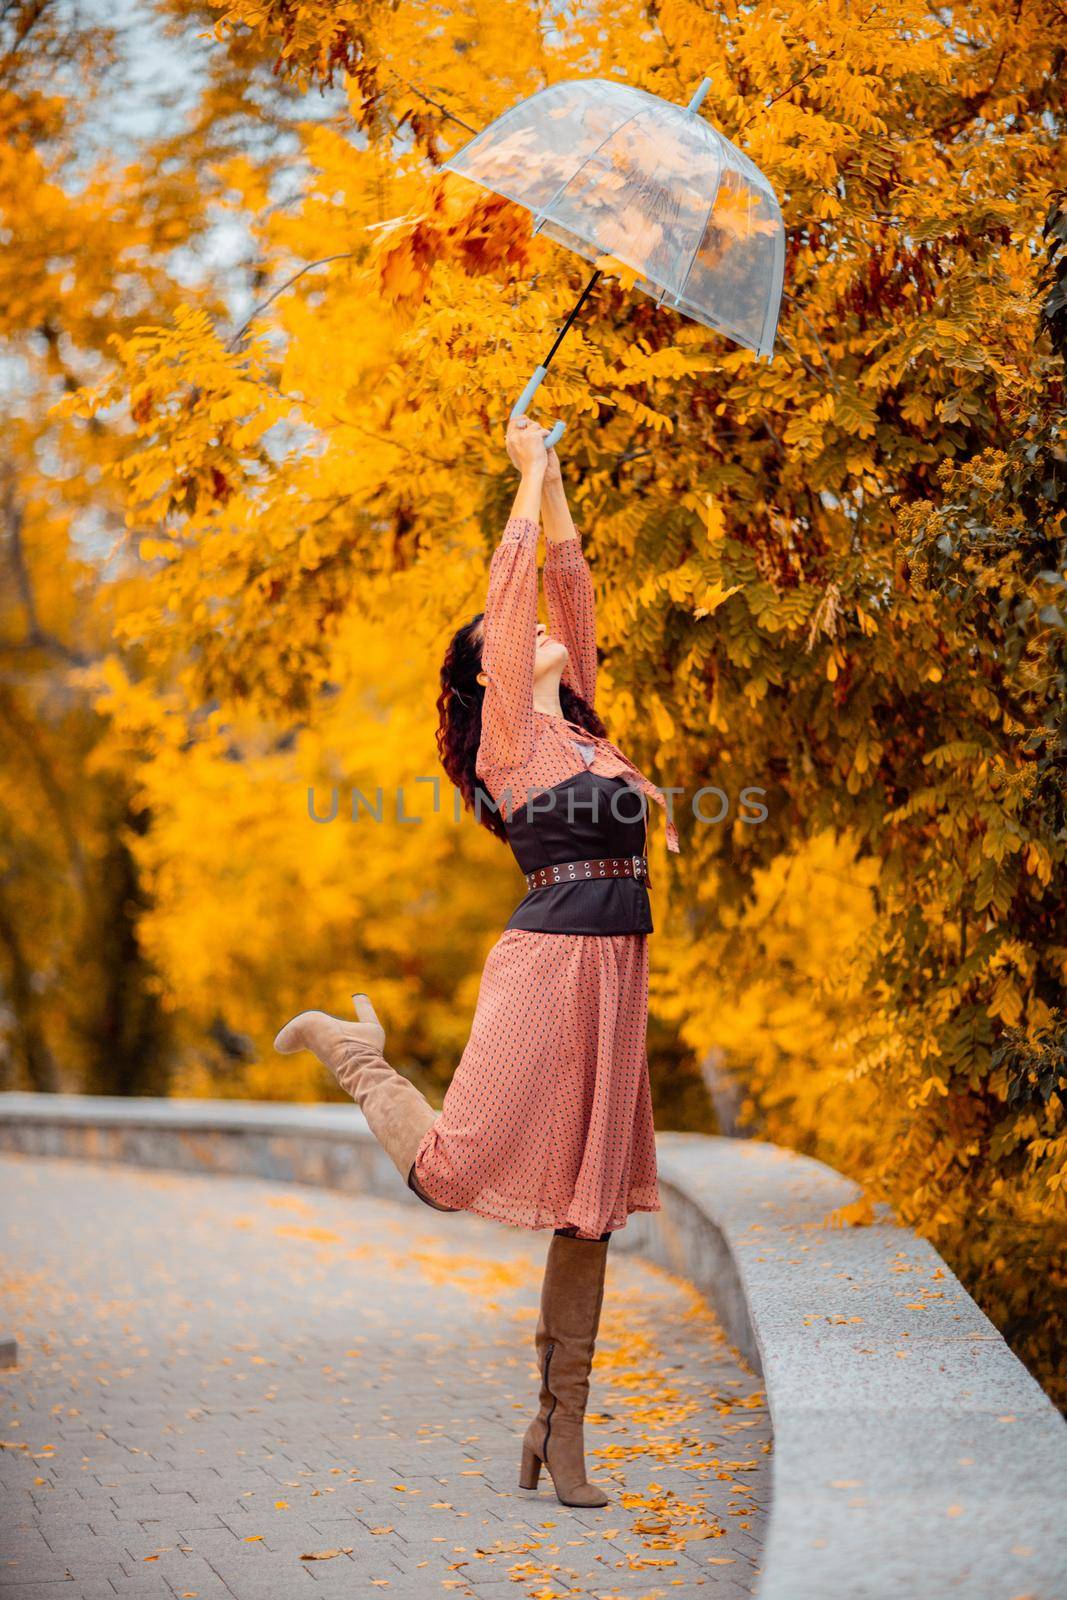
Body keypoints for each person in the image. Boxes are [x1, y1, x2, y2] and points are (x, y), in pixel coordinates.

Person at [275, 411, 681, 1508]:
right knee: (452, 1173)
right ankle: (362, 1059)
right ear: (487, 672)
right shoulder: (509, 738)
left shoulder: (584, 727)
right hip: (547, 967)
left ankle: (561, 1428)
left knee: (588, 1204)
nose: (539, 629)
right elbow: (515, 596)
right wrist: (516, 473)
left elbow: (565, 578)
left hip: (615, 972)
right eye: (507, 636)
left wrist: (549, 474)